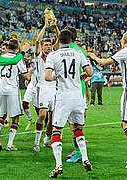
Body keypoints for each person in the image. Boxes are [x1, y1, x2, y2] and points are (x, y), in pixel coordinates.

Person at [89, 32, 127, 169]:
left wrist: (92, 56)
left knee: (126, 124)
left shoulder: (125, 51)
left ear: (123, 40)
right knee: (125, 123)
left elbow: (104, 62)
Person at [45, 30, 93, 178]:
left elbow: (47, 77)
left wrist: (57, 76)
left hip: (63, 98)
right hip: (78, 97)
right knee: (78, 129)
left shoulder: (53, 55)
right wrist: (83, 75)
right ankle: (85, 158)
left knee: (57, 131)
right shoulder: (78, 53)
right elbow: (90, 72)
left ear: (58, 40)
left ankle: (58, 164)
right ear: (71, 40)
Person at [0, 39, 31, 151]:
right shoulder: (18, 59)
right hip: (12, 90)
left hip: (1, 89)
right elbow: (26, 76)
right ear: (17, 48)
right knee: (15, 118)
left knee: (2, 115)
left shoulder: (1, 57)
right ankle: (10, 144)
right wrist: (31, 71)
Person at [33, 20, 57, 152]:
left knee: (52, 117)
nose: (48, 46)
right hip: (43, 87)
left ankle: (47, 140)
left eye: (49, 45)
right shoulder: (38, 56)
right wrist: (45, 26)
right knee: (42, 115)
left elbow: (60, 42)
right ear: (42, 47)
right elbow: (37, 41)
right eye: (46, 45)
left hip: (54, 88)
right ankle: (36, 142)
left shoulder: (54, 55)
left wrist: (56, 28)